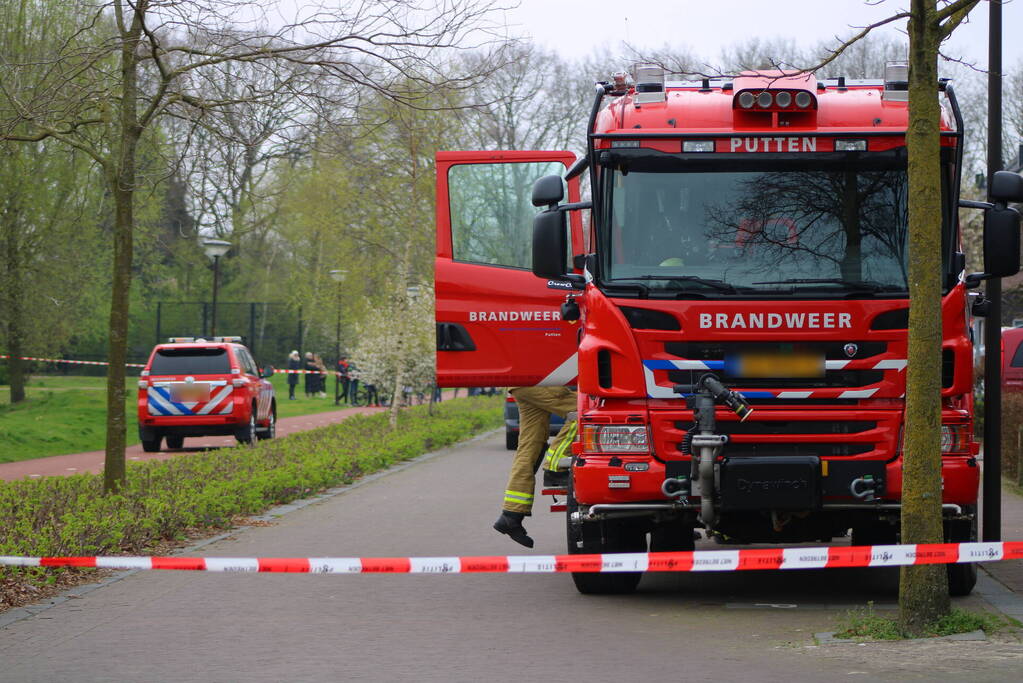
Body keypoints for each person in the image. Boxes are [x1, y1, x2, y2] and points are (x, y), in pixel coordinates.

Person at [493, 385, 578, 548]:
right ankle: (555, 467)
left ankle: (511, 516)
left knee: (529, 446)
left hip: (521, 384)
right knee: (585, 412)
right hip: (537, 381)